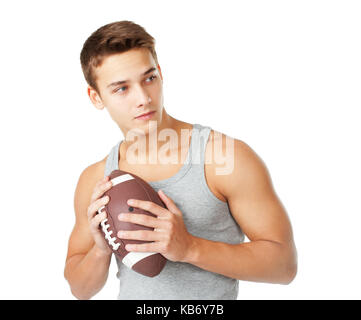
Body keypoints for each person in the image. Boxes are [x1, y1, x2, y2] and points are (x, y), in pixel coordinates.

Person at [64, 20, 297, 300]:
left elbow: (284, 266)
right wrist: (101, 249)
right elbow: (79, 289)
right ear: (95, 97)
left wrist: (189, 248)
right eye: (121, 88)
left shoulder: (223, 158)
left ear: (160, 74)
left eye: (149, 78)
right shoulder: (95, 179)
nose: (143, 98)